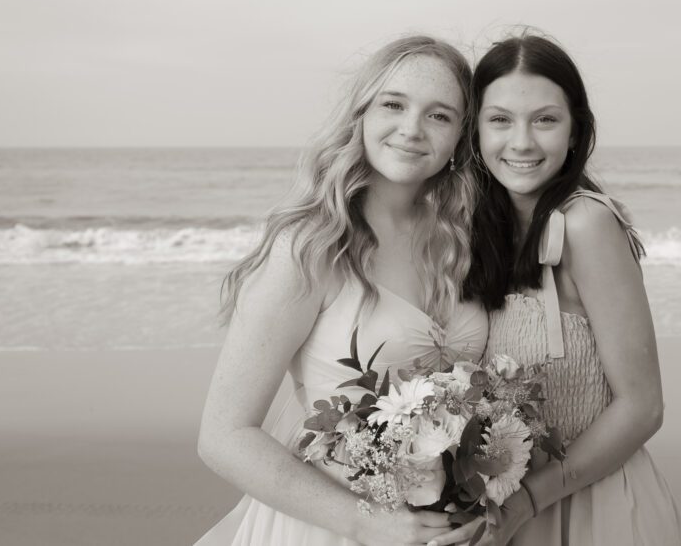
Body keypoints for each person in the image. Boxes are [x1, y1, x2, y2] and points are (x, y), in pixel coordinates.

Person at [195, 35, 488, 546]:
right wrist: (366, 523)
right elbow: (224, 437)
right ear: (361, 114)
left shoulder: (463, 242)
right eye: (393, 104)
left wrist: (480, 504)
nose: (412, 129)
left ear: (462, 135)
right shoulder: (311, 248)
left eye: (440, 115)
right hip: (329, 527)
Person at [438, 33, 681, 545]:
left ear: (576, 130)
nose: (523, 142)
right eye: (501, 119)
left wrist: (526, 503)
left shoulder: (585, 224)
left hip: (588, 509)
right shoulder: (473, 230)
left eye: (545, 120)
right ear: (476, 130)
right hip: (501, 514)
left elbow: (643, 407)